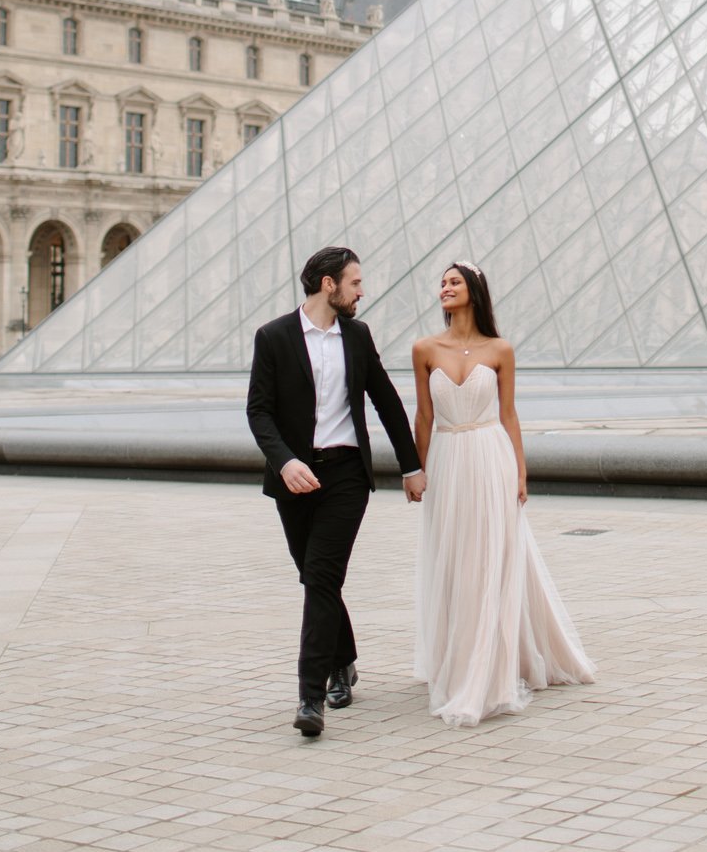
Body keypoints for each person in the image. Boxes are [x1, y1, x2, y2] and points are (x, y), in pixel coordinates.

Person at [246, 245, 427, 739]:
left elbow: (387, 402)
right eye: (355, 283)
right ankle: (343, 660)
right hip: (296, 478)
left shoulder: (358, 335)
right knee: (315, 577)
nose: (361, 292)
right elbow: (258, 411)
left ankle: (310, 697)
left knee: (322, 576)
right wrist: (285, 462)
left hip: (346, 474)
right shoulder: (274, 337)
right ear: (329, 284)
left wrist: (411, 467)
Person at [412, 261, 594, 727]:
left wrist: (520, 471)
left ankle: (489, 665)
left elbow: (510, 414)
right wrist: (416, 468)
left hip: (491, 457)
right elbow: (424, 416)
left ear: (473, 290)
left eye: (454, 282)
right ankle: (461, 656)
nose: (444, 289)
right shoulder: (424, 348)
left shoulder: (500, 349)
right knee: (455, 559)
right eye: (442, 283)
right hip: (448, 461)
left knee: (492, 557)